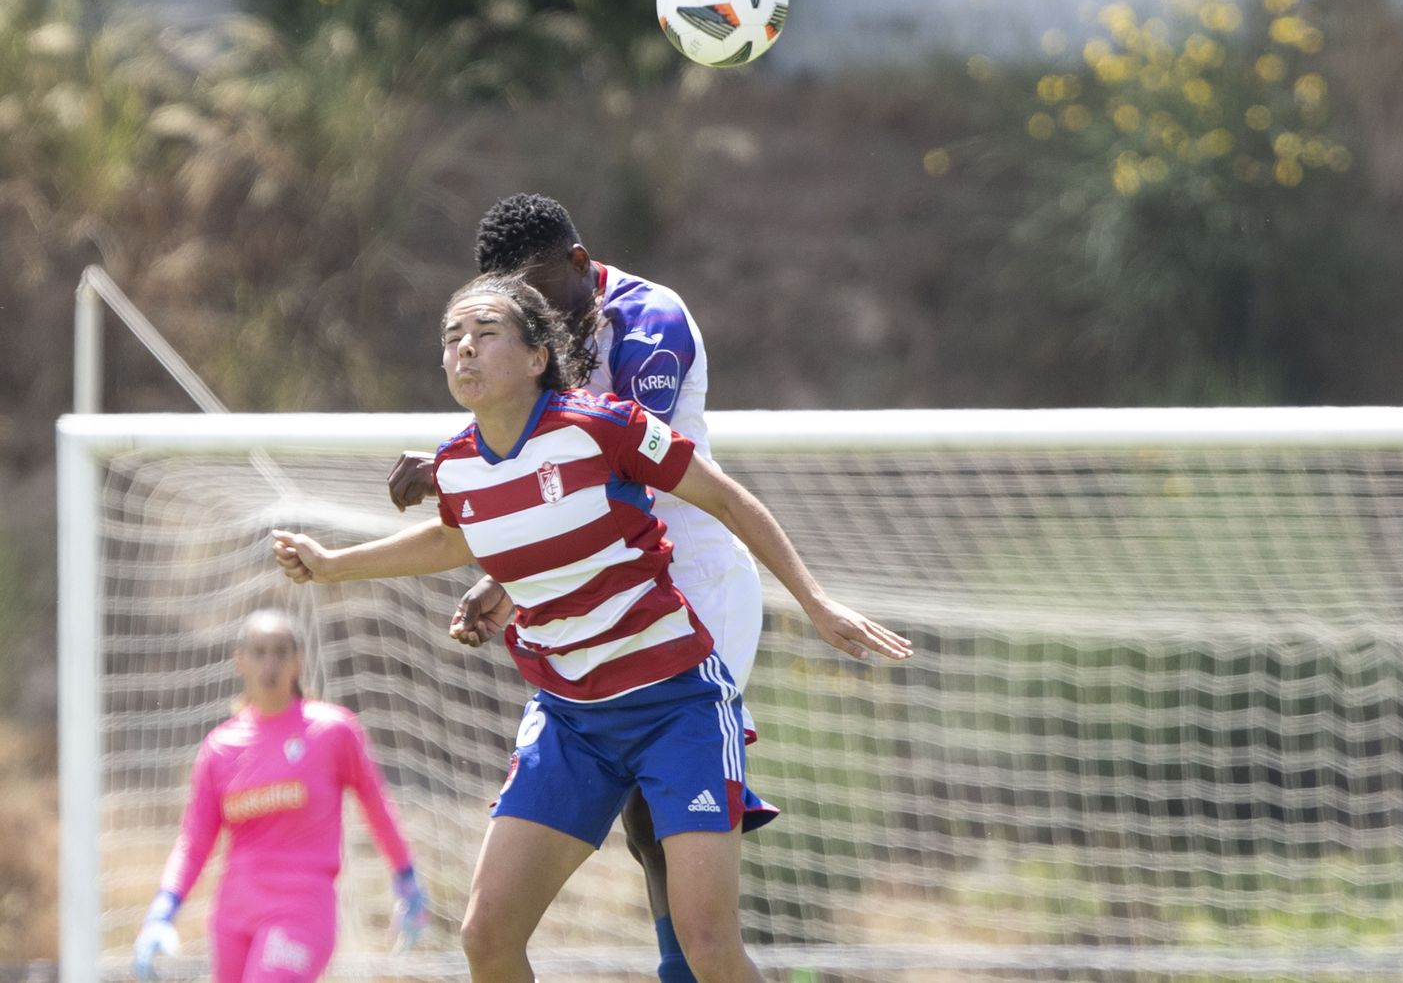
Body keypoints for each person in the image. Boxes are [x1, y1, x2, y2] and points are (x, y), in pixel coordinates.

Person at [272, 274, 911, 983]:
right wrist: (332, 565)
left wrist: (817, 602)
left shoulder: (603, 426)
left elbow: (725, 497)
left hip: (678, 709)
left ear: (538, 355)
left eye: (484, 333)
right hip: (570, 720)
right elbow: (451, 540)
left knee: (709, 947)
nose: (463, 349)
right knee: (486, 936)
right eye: (452, 337)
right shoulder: (455, 464)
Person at [386, 192, 766, 982]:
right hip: (601, 575)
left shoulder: (650, 320)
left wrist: (500, 555)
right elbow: (546, 467)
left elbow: (612, 464)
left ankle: (687, 968)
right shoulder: (545, 321)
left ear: (576, 260)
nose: (529, 306)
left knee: (666, 813)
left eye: (537, 285)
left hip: (688, 581)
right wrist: (506, 569)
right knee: (637, 815)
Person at [132, 609, 428, 983]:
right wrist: (163, 909)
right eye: (259, 652)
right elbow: (195, 841)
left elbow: (376, 804)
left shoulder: (332, 731)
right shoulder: (220, 748)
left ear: (298, 662)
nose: (270, 663)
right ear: (240, 662)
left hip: (302, 910)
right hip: (234, 915)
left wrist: (407, 878)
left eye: (280, 651)